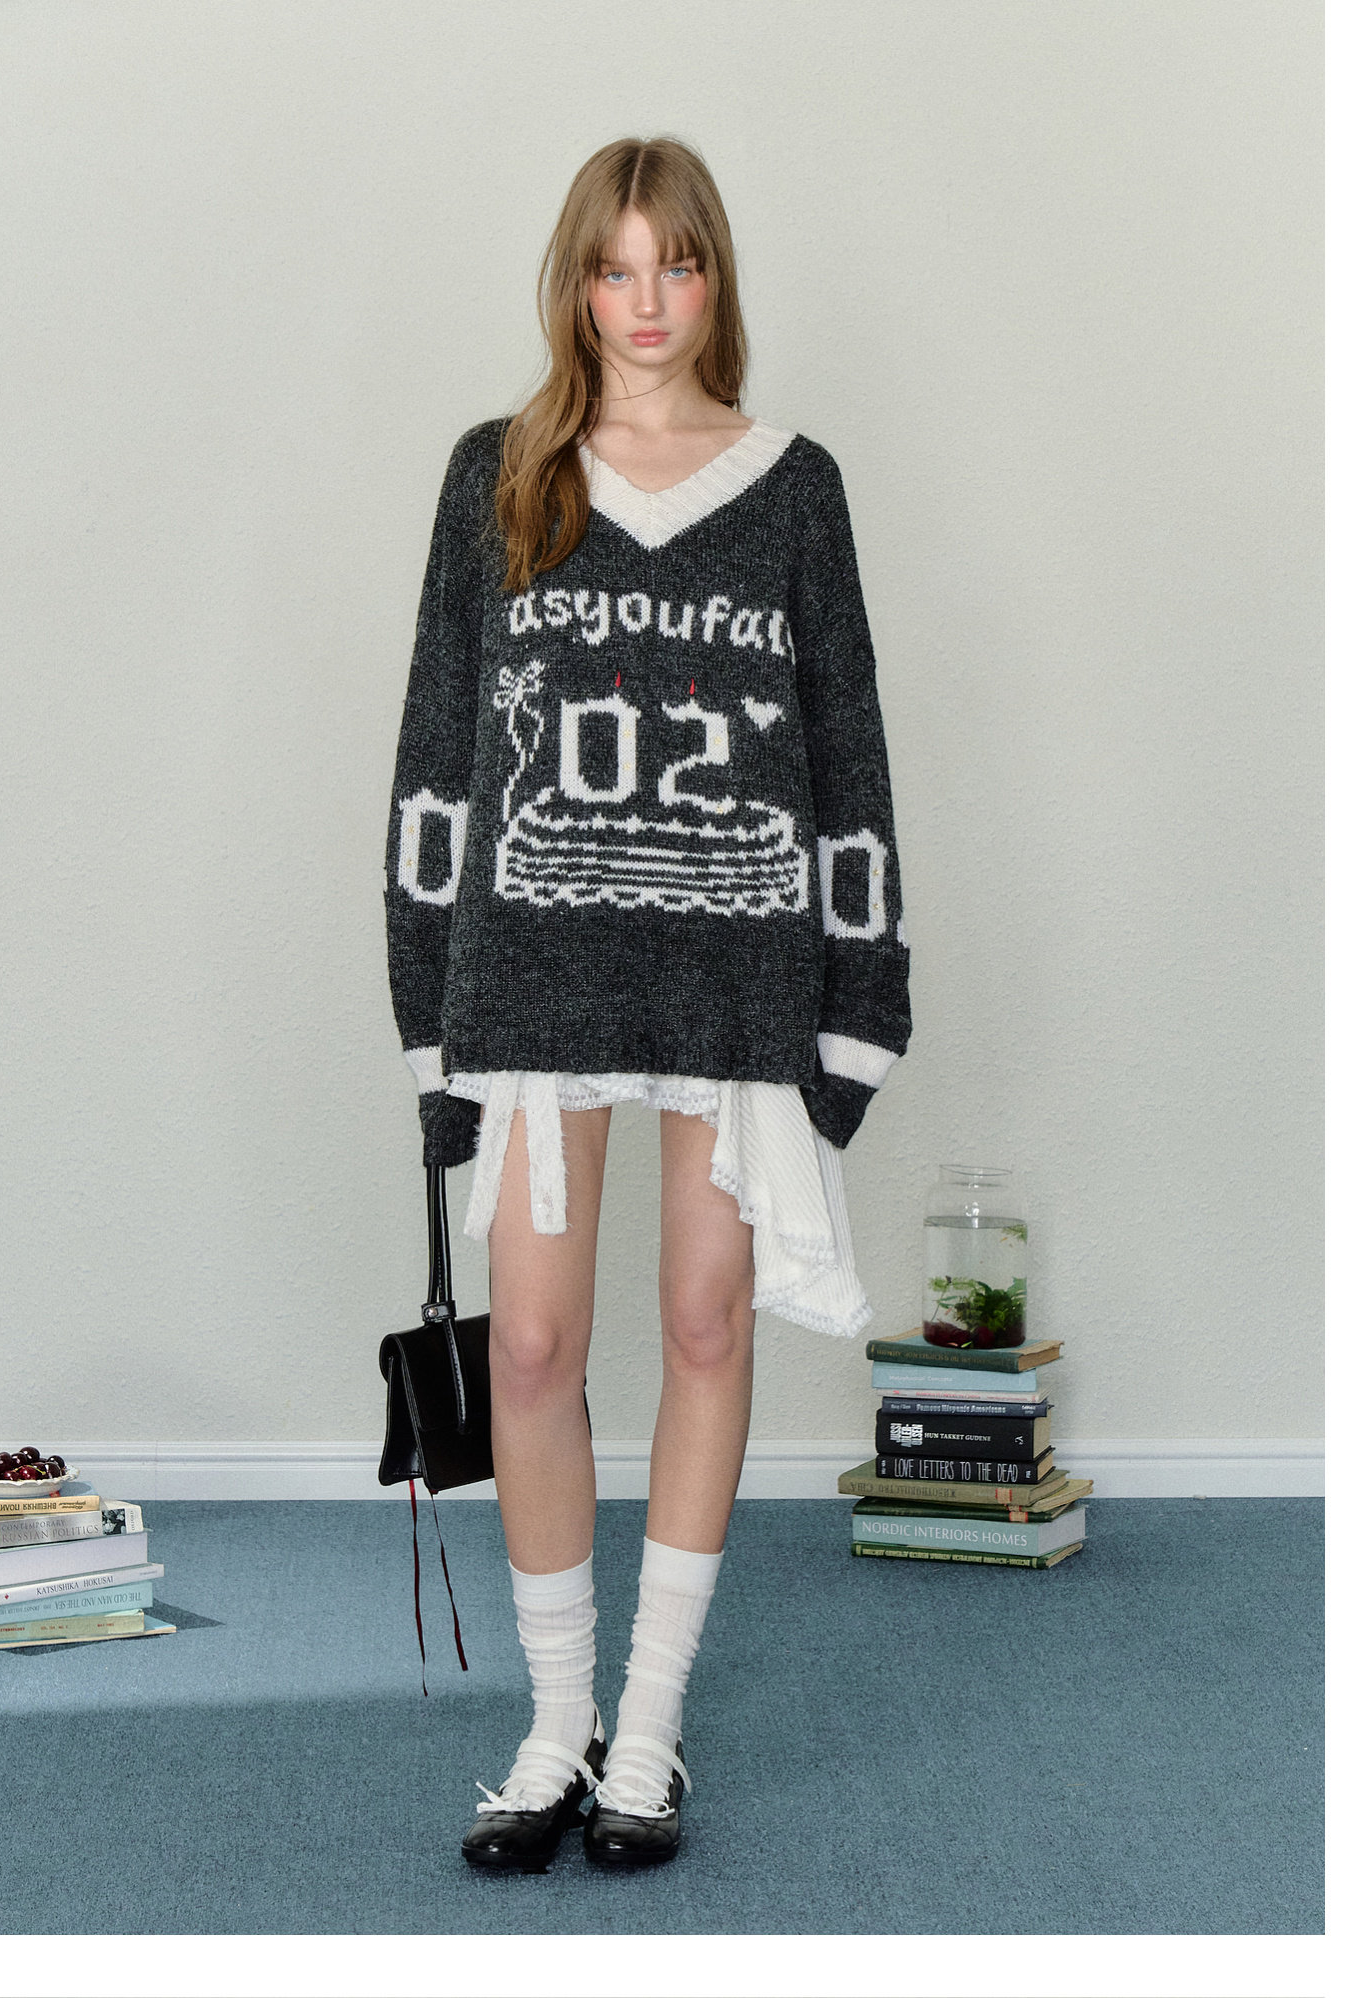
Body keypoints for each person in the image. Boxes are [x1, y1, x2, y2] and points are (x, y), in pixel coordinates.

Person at [384, 135, 912, 1871]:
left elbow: (844, 749)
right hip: (534, 960)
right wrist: (426, 1001)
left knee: (703, 1321)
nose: (648, 302)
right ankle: (556, 1723)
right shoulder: (499, 474)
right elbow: (439, 750)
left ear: (714, 278)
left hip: (733, 962)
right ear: (577, 286)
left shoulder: (793, 486)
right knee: (532, 1343)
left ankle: (652, 1726)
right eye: (616, 269)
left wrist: (858, 996)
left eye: (676, 265)